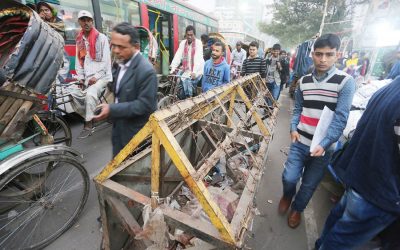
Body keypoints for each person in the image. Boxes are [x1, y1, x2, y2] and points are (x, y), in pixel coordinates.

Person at [278, 33, 355, 229]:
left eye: (329, 54)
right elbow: (297, 109)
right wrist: (293, 127)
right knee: (289, 177)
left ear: (337, 55)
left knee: (309, 185)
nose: (323, 59)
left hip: (323, 149)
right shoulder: (303, 81)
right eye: (319, 54)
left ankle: (297, 209)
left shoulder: (345, 82)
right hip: (300, 141)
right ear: (312, 54)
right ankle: (287, 194)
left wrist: (325, 143)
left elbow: (341, 118)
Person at [315, 77, 400, 250]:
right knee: (342, 238)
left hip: (361, 179)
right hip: (379, 191)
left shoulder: (392, 87)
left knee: (338, 223)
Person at [93, 23, 158, 157]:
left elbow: (144, 105)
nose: (116, 50)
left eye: (121, 47)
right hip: (119, 132)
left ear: (136, 47)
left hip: (136, 138)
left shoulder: (146, 71)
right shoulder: (119, 62)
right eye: (114, 45)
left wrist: (112, 109)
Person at [75, 10, 112, 138]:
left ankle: (88, 122)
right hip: (87, 77)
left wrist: (96, 77)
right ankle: (89, 112)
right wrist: (80, 78)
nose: (86, 22)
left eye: (88, 20)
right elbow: (79, 61)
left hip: (103, 76)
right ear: (79, 22)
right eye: (83, 20)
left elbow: (106, 62)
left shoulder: (101, 38)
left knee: (90, 93)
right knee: (71, 94)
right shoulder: (79, 40)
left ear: (92, 21)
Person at [170, 25, 204, 99]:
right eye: (188, 35)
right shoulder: (183, 43)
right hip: (187, 70)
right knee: (177, 81)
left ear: (194, 35)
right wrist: (172, 68)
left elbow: (197, 58)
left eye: (191, 35)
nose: (189, 37)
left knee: (188, 85)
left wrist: (194, 71)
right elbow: (178, 56)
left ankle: (190, 100)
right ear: (185, 34)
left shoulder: (198, 43)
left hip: (197, 71)